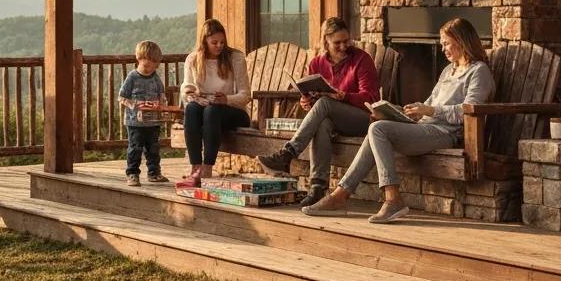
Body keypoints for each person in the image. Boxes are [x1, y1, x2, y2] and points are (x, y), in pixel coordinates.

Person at [304, 17, 494, 224]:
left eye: (446, 43)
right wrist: (410, 111)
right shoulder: (449, 70)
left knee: (377, 130)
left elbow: (468, 111)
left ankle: (389, 198)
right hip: (424, 127)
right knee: (376, 127)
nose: (443, 49)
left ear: (462, 41)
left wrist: (429, 110)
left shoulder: (478, 72)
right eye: (441, 44)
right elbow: (431, 102)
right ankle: (340, 197)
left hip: (447, 133)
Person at [257, 17, 379, 208]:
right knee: (322, 123)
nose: (343, 46)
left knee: (324, 103)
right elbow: (313, 98)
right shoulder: (316, 64)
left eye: (346, 40)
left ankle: (288, 153)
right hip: (330, 118)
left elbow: (370, 98)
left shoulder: (362, 59)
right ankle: (318, 187)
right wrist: (306, 101)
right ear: (326, 42)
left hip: (362, 119)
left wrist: (343, 96)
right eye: (337, 43)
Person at [177, 18, 250, 187]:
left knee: (212, 110)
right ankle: (196, 167)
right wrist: (191, 95)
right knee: (192, 109)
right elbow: (186, 88)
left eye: (222, 42)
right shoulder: (193, 59)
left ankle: (207, 167)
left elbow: (245, 95)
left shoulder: (235, 58)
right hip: (204, 109)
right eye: (214, 42)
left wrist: (226, 99)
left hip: (233, 112)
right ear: (204, 41)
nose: (219, 46)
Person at [119, 40, 170, 187]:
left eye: (153, 66)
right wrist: (133, 105)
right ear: (138, 59)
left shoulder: (155, 78)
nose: (149, 69)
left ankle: (154, 173)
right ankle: (132, 173)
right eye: (146, 66)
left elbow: (161, 93)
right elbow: (121, 97)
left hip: (153, 121)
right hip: (135, 121)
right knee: (135, 147)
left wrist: (162, 104)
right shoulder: (132, 77)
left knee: (153, 148)